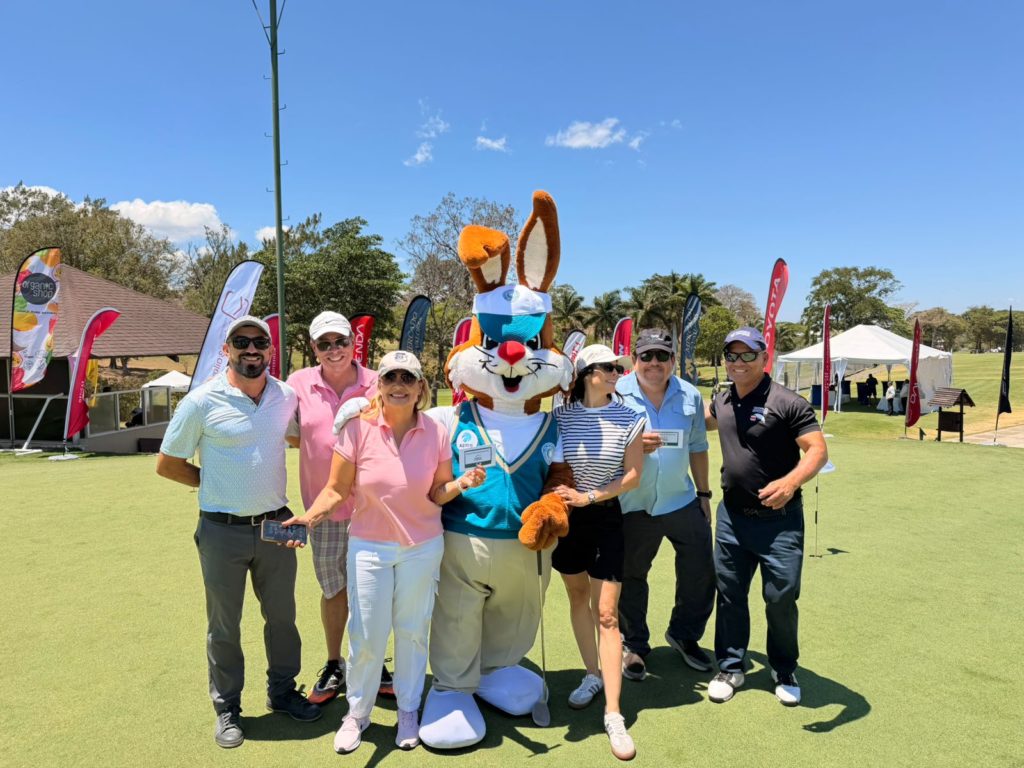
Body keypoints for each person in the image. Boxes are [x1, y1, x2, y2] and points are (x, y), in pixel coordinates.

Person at [284, 351, 486, 753]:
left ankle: (409, 709)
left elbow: (436, 492)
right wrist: (310, 517)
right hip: (369, 547)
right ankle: (357, 713)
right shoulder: (357, 430)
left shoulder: (435, 431)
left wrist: (463, 482)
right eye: (390, 377)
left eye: (407, 378)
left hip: (421, 547)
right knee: (367, 635)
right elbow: (336, 490)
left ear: (420, 389)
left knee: (411, 633)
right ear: (380, 385)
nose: (398, 384)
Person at [156, 316, 320, 750]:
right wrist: (211, 486)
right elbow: (168, 462)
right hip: (220, 530)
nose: (252, 349)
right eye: (241, 342)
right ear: (227, 349)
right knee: (224, 625)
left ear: (270, 350)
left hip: (275, 528)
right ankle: (227, 707)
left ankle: (283, 692)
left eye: (259, 343)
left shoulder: (285, 396)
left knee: (283, 618)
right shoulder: (201, 400)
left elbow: (300, 439)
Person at [704, 327, 828, 707]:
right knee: (729, 595)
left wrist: (790, 482)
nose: (738, 362)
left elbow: (817, 451)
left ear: (764, 357)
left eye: (747, 355)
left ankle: (784, 665)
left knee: (781, 595)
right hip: (732, 517)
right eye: (732, 355)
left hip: (780, 521)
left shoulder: (788, 402)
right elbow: (699, 422)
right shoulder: (722, 400)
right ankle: (730, 664)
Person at [284, 311, 385, 705]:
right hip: (323, 511)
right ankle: (334, 663)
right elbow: (295, 438)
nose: (334, 350)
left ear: (352, 343)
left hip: (373, 508)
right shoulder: (298, 385)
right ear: (314, 348)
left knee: (374, 591)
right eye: (324, 344)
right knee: (334, 591)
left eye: (340, 342)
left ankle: (375, 662)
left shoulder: (378, 382)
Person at [552, 344, 644, 761]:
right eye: (609, 368)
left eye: (617, 369)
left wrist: (588, 496)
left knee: (606, 613)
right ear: (587, 373)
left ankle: (613, 711)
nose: (616, 374)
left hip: (605, 516)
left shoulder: (631, 416)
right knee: (576, 598)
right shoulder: (559, 417)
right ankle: (591, 674)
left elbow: (632, 477)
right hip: (568, 521)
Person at [615, 329, 715, 682]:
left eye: (661, 356)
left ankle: (684, 634)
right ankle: (635, 645)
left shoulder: (689, 394)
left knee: (701, 566)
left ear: (672, 360)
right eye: (646, 356)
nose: (654, 363)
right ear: (634, 359)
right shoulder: (615, 392)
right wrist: (631, 445)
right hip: (634, 502)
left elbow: (699, 447)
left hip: (680, 499)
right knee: (631, 575)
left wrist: (704, 495)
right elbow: (599, 443)